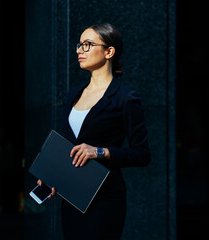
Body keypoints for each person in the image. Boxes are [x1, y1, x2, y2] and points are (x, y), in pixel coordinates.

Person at [37, 23, 151, 239]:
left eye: (88, 44)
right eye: (79, 45)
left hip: (105, 200)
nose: (80, 50)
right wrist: (52, 175)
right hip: (72, 198)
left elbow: (142, 154)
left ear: (109, 52)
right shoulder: (73, 94)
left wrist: (99, 151)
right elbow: (67, 147)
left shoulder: (125, 98)